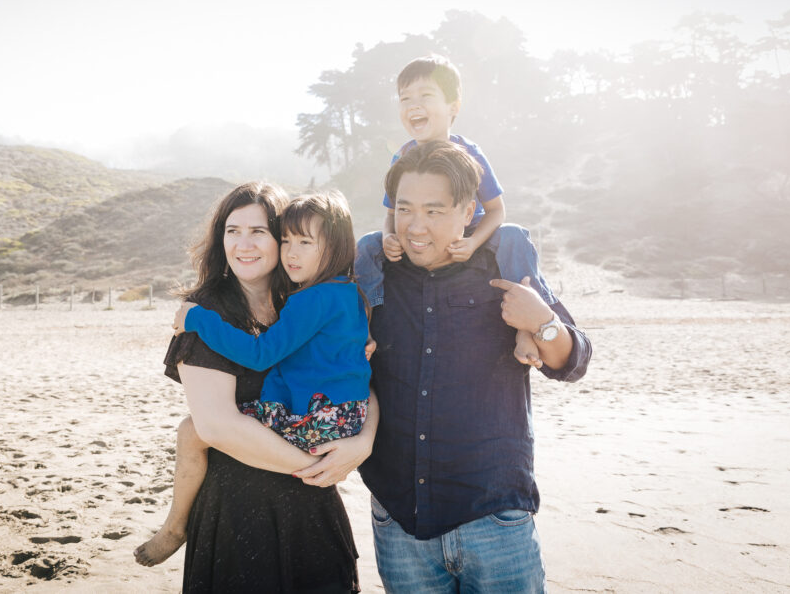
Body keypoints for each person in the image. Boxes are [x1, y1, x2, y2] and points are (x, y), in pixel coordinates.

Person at [359, 141, 592, 593]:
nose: (416, 226)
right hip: (399, 520)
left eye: (434, 211)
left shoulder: (502, 264)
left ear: (469, 212)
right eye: (405, 209)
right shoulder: (376, 276)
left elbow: (573, 361)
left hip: (493, 516)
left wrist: (541, 322)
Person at [134, 182, 375, 593]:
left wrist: (364, 443)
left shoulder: (300, 299)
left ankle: (174, 526)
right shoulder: (208, 309)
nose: (243, 243)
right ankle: (176, 527)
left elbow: (362, 380)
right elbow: (217, 427)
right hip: (240, 512)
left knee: (189, 431)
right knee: (194, 429)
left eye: (260, 232)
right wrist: (316, 467)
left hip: (312, 509)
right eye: (232, 230)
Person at [355, 54, 555, 366]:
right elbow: (392, 212)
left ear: (453, 107)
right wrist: (388, 236)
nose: (413, 105)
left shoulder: (470, 153)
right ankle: (364, 326)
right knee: (367, 245)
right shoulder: (402, 157)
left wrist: (474, 242)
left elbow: (496, 210)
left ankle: (528, 327)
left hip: (471, 233)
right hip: (419, 238)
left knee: (514, 237)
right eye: (405, 98)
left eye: (426, 96)